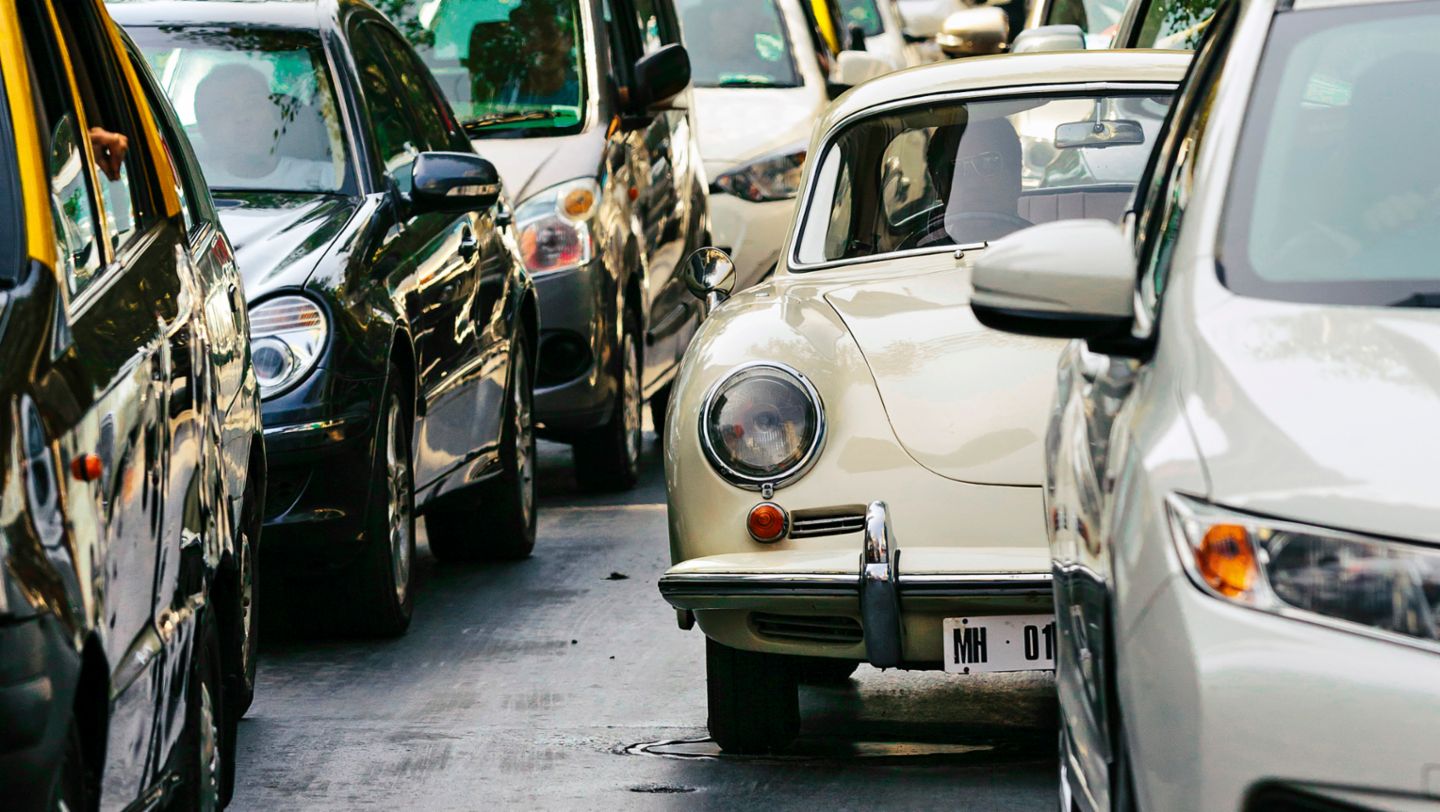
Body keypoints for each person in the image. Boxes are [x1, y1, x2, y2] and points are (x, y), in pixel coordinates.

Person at [192, 62, 335, 190]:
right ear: (205, 129)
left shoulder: (324, 179)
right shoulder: (193, 188)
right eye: (225, 108)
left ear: (274, 116)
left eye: (253, 104)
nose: (242, 117)